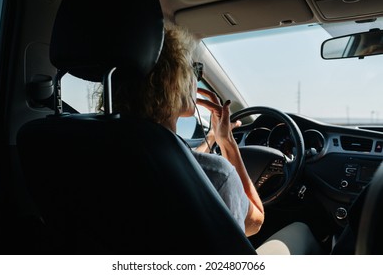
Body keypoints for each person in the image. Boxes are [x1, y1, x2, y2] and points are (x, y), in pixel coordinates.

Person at [95, 22, 323, 254]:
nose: (195, 79)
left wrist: (213, 137)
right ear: (176, 84)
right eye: (193, 70)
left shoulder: (89, 152)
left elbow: (182, 163)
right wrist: (228, 143)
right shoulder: (218, 174)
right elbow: (255, 222)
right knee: (300, 230)